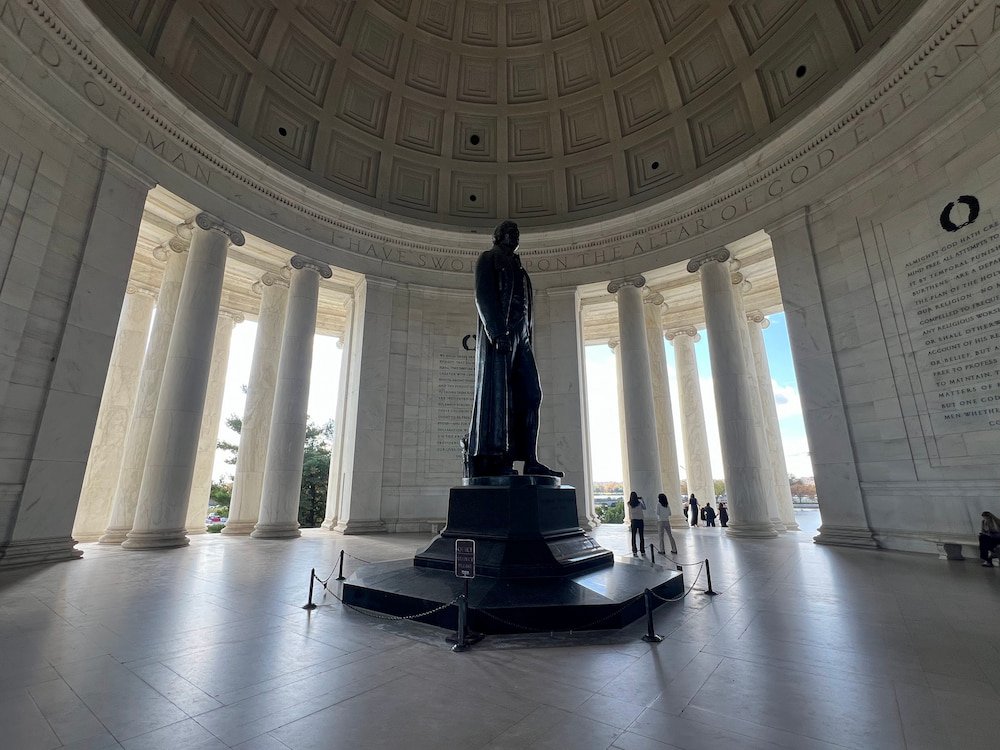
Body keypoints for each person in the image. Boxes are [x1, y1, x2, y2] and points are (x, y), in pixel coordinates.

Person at [466, 221, 562, 478]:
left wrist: (526, 336)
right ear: (497, 236)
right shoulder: (488, 259)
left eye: (517, 233)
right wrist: (496, 331)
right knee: (500, 399)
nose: (514, 237)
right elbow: (483, 295)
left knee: (531, 395)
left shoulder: (521, 270)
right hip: (502, 335)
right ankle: (500, 460)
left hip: (523, 338)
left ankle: (530, 459)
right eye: (509, 232)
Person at [627, 491, 646, 555]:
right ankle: (642, 550)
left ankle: (634, 550)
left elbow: (631, 510)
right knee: (641, 536)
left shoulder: (629, 504)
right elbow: (645, 508)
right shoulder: (639, 503)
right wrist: (642, 499)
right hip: (640, 521)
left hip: (633, 521)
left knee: (633, 536)